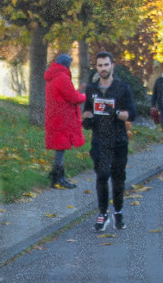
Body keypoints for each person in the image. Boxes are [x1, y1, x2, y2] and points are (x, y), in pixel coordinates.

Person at [82, 52, 135, 231]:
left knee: (118, 179)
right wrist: (87, 118)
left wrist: (116, 113)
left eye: (106, 65)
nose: (103, 69)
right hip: (99, 140)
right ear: (96, 67)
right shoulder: (92, 89)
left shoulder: (122, 88)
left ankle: (118, 212)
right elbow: (88, 110)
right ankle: (103, 213)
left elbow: (132, 114)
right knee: (102, 175)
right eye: (99, 65)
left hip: (118, 140)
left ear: (112, 66)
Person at [43, 53, 86, 189]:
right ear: (66, 64)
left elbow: (65, 94)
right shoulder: (62, 77)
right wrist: (84, 96)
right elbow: (73, 98)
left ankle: (56, 176)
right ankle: (58, 178)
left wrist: (77, 92)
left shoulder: (53, 76)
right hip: (62, 118)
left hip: (55, 117)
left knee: (60, 147)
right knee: (61, 148)